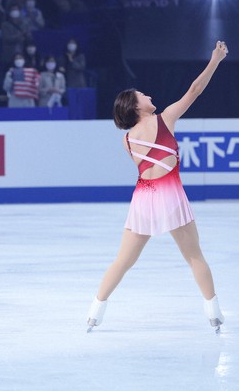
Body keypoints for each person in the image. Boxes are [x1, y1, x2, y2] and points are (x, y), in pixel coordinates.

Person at [87, 41, 229, 333]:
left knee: (123, 261)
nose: (148, 95)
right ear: (135, 105)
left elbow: (146, 166)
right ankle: (213, 312)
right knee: (194, 256)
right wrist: (215, 60)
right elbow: (194, 91)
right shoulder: (165, 119)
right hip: (170, 195)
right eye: (142, 94)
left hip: (143, 199)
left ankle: (94, 313)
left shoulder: (126, 140)